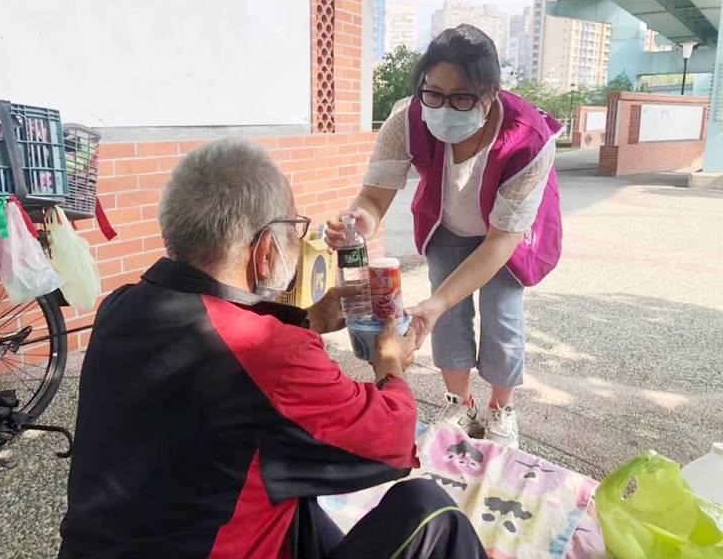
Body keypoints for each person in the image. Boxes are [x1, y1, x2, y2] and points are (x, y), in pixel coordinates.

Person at [59, 138, 487, 559]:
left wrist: (313, 318)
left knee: (291, 487)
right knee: (431, 511)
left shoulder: (118, 308)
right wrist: (390, 366)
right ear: (265, 251)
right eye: (294, 232)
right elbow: (390, 443)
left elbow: (218, 341)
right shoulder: (276, 357)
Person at [326, 25, 563, 449]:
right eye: (432, 92)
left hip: (500, 237)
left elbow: (500, 241)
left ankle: (501, 410)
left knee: (502, 316)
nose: (443, 107)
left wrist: (437, 301)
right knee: (443, 319)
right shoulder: (407, 118)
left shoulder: (529, 138)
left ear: (491, 92)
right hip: (448, 224)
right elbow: (374, 195)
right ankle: (461, 402)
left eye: (461, 97)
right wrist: (360, 219)